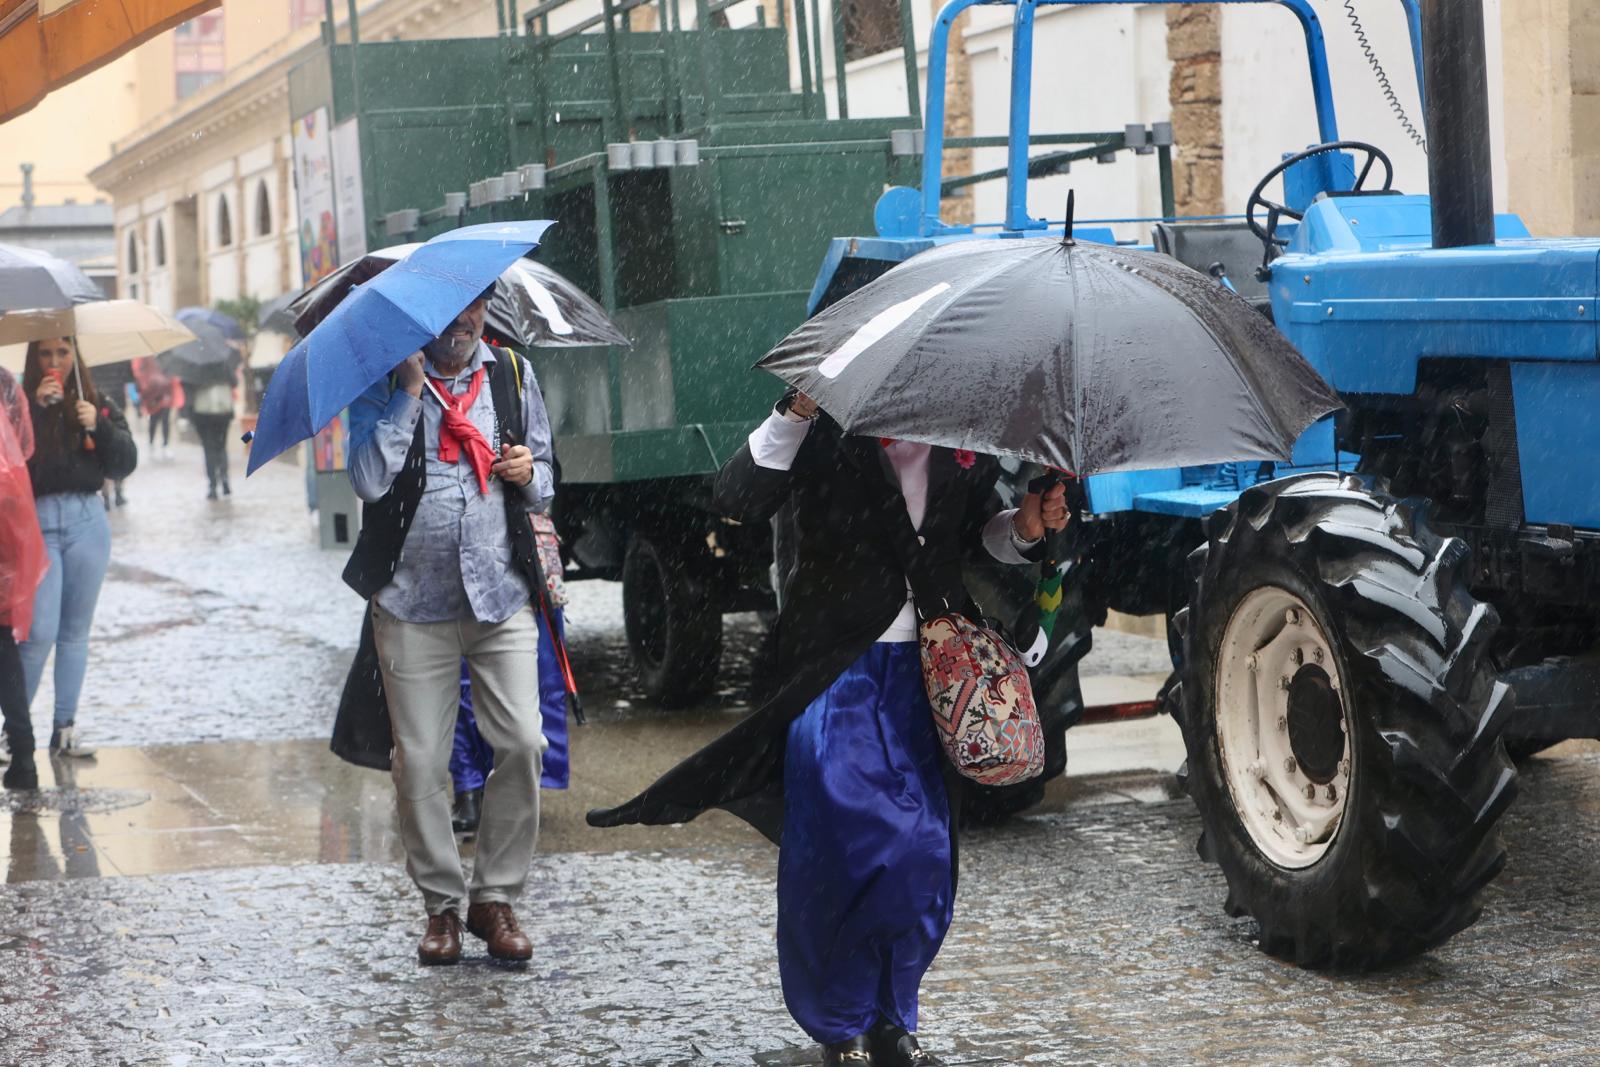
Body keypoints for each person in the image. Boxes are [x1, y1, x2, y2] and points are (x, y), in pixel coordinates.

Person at [589, 389, 1068, 1067]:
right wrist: (794, 411)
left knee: (923, 852)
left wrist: (1024, 527)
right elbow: (737, 493)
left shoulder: (957, 428)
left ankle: (893, 1019)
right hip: (832, 666)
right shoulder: (823, 425)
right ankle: (838, 1023)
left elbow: (972, 539)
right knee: (839, 844)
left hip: (928, 675)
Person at [345, 289, 555, 965]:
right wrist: (409, 392)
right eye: (448, 310)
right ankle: (440, 904)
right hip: (412, 603)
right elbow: (370, 480)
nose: (461, 321)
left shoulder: (513, 376)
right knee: (422, 765)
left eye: (473, 308)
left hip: (499, 593)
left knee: (523, 741)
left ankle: (493, 897)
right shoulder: (379, 383)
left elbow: (546, 481)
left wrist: (530, 470)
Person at [19, 337, 138, 759]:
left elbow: (124, 463)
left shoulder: (95, 401)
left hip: (87, 520)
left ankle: (64, 728)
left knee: (74, 633)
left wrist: (98, 425)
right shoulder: (17, 404)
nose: (54, 362)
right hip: (38, 522)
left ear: (75, 356)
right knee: (38, 633)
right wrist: (32, 410)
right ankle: (13, 730)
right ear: (34, 359)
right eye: (45, 354)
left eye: (62, 353)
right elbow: (10, 460)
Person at [452, 519, 572, 832]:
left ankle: (522, 787)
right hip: (452, 552)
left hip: (524, 547)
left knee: (537, 679)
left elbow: (547, 477)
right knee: (462, 680)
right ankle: (467, 786)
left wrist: (529, 477)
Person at [0, 365, 47, 790]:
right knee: (2, 646)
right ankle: (24, 753)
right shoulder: (6, 384)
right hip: (5, 524)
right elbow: (24, 448)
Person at [189, 377, 235, 499]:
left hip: (204, 413)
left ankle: (213, 485)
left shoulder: (195, 370)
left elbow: (189, 391)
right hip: (223, 410)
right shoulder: (223, 365)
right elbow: (234, 382)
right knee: (221, 447)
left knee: (209, 450)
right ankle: (224, 479)